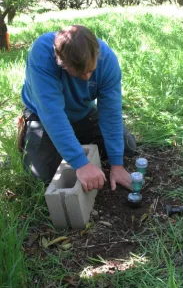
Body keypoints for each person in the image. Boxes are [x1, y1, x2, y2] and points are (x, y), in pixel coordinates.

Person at [20, 25, 136, 192]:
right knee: (41, 177)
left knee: (127, 146)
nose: (87, 77)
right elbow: (52, 115)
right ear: (61, 63)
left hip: (82, 113)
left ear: (97, 55)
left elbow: (110, 114)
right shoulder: (42, 55)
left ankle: (70, 143)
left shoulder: (107, 60)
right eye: (80, 74)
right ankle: (67, 146)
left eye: (91, 71)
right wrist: (80, 163)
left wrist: (117, 164)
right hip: (42, 116)